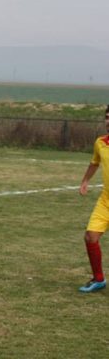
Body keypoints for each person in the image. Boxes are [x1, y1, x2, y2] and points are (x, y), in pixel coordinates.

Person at [78, 105, 109, 293]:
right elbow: (94, 162)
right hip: (106, 200)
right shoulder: (100, 142)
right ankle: (99, 279)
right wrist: (85, 181)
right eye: (107, 117)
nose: (108, 121)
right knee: (90, 236)